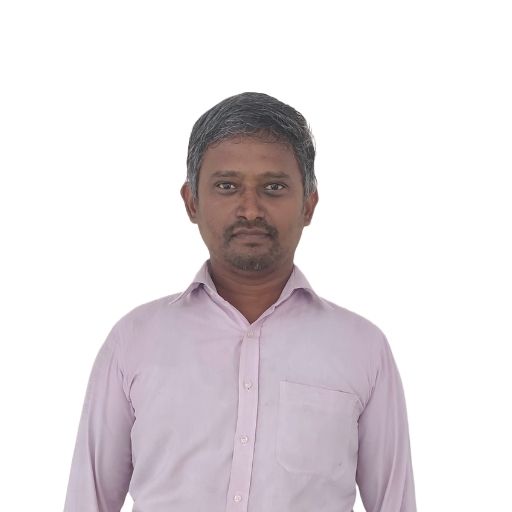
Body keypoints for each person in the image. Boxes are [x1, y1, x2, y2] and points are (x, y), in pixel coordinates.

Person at [63, 91, 417, 512]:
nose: (250, 210)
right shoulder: (134, 341)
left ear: (309, 204)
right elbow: (88, 501)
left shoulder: (362, 348)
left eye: (274, 187)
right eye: (227, 186)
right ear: (192, 202)